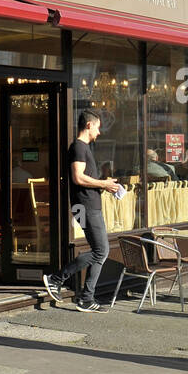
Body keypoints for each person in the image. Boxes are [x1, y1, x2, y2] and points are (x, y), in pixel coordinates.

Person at [44, 108, 120, 312]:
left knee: (100, 252)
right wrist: (103, 184)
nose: (99, 132)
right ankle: (56, 279)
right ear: (89, 125)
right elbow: (77, 177)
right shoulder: (78, 147)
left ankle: (87, 297)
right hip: (85, 207)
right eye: (97, 127)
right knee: (101, 251)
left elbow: (85, 180)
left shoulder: (83, 148)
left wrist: (105, 185)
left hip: (86, 205)